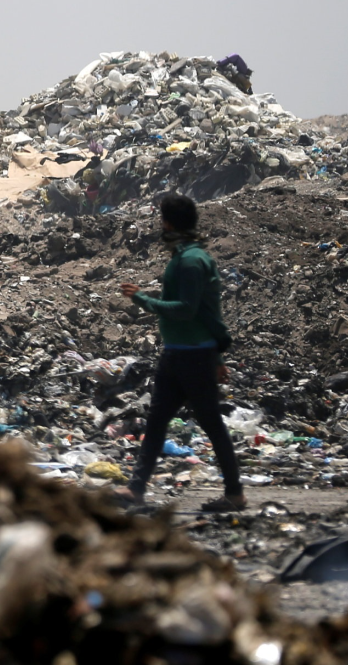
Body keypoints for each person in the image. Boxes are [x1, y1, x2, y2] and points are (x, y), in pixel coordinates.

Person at [119, 192, 245, 511]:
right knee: (157, 421)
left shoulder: (190, 261)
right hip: (177, 354)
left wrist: (144, 300)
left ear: (169, 223)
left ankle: (235, 494)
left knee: (211, 424)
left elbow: (188, 310)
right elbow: (208, 311)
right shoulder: (185, 257)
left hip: (193, 357)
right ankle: (135, 489)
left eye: (162, 220)